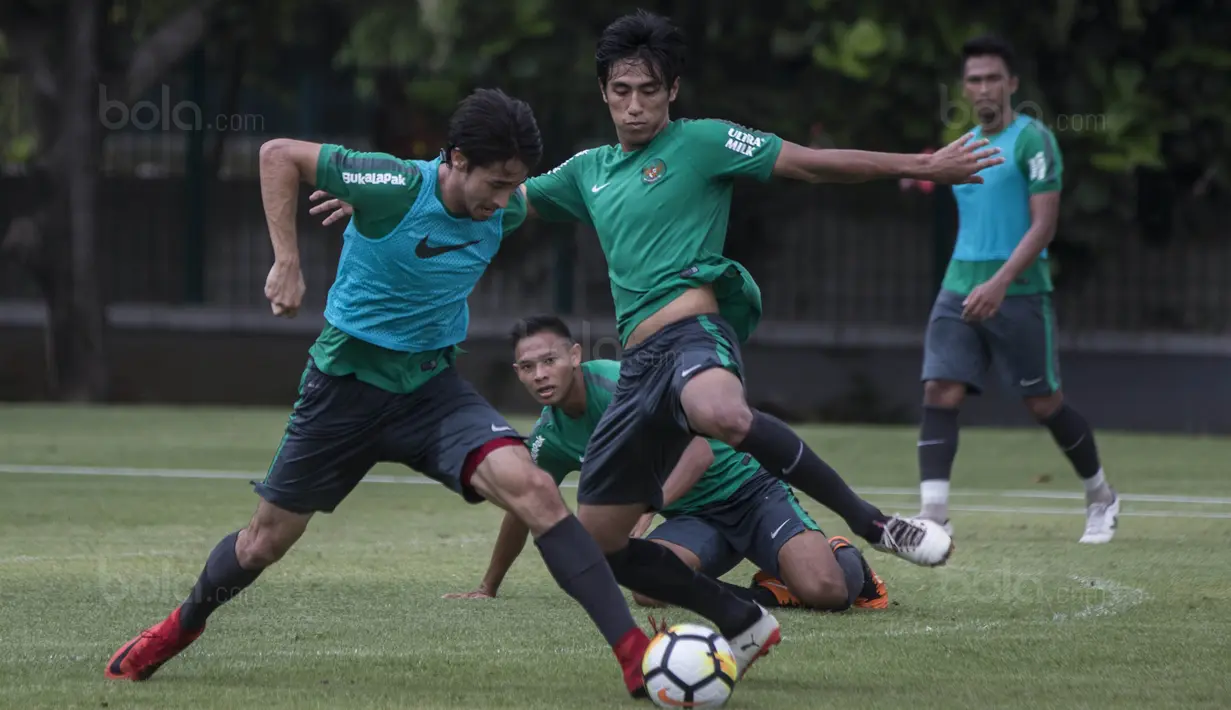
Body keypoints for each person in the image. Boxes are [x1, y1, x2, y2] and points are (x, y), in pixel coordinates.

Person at [310, 8, 1003, 674]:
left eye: (648, 91)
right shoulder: (587, 171)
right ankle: (742, 619)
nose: (634, 106)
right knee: (599, 543)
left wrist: (922, 163)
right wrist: (391, 202)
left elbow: (812, 162)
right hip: (639, 369)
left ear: (672, 91)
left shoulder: (702, 143)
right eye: (620, 92)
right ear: (604, 93)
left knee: (721, 414)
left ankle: (874, 524)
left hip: (693, 335)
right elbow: (488, 195)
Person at [104, 89, 659, 698]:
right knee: (265, 542)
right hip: (343, 391)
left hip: (430, 390)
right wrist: (286, 260)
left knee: (534, 489)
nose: (504, 202)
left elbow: (584, 185)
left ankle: (634, 653)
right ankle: (180, 627)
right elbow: (277, 154)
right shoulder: (394, 183)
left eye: (513, 186)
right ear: (455, 160)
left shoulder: (503, 206)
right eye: (495, 184)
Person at [444, 315, 888, 612]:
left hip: (752, 493)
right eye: (527, 367)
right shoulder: (551, 436)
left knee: (826, 593)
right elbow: (524, 506)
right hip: (693, 516)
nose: (540, 375)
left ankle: (842, 556)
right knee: (647, 588)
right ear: (517, 373)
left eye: (549, 361)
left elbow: (697, 452)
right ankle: (768, 593)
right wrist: (489, 586)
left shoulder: (623, 386)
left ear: (574, 356)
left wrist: (644, 507)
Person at [915, 36, 1119, 543]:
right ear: (963, 87)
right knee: (940, 388)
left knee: (1043, 404)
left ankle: (1101, 496)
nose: (983, 88)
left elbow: (1043, 225)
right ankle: (932, 516)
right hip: (958, 286)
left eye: (991, 78)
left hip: (1018, 290)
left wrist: (1000, 282)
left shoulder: (1035, 141)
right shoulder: (961, 145)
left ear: (1011, 84)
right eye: (973, 79)